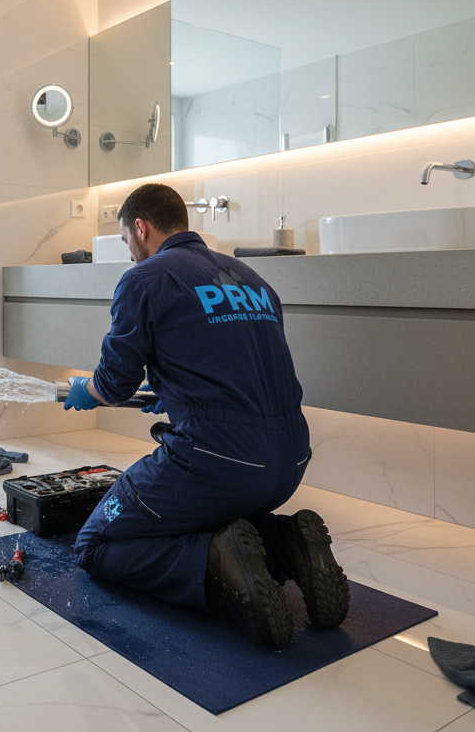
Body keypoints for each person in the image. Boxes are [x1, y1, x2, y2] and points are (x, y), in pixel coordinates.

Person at [65, 183, 349, 650]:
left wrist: (87, 390)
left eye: (125, 242)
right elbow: (233, 364)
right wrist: (174, 392)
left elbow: (113, 383)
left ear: (141, 227)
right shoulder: (253, 279)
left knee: (94, 544)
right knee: (203, 509)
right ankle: (286, 543)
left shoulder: (145, 279)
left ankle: (216, 559)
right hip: (289, 463)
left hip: (218, 463)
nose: (129, 254)